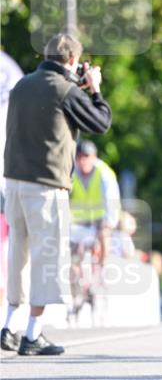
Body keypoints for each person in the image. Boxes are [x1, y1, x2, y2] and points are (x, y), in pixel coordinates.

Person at [1, 32, 111, 356]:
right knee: (46, 260)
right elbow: (101, 122)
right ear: (73, 60)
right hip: (46, 186)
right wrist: (95, 88)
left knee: (17, 255)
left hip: (14, 183)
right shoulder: (65, 90)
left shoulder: (21, 85)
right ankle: (33, 334)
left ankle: (8, 326)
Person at [70, 140, 121, 268]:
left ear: (94, 157)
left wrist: (110, 221)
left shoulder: (104, 173)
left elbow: (112, 198)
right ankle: (72, 272)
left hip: (99, 219)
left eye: (86, 157)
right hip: (78, 220)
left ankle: (104, 266)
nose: (82, 161)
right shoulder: (72, 172)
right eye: (79, 157)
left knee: (104, 234)